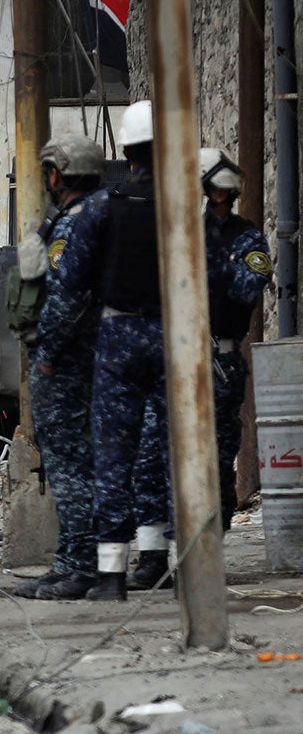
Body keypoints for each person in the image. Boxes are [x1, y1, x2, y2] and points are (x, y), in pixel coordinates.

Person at [122, 147, 272, 590]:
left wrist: (206, 265)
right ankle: (151, 556)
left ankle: (205, 551)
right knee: (150, 454)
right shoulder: (175, 231)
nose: (222, 199)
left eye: (228, 192)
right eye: (214, 190)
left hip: (218, 359)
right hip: (167, 360)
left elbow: (248, 286)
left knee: (213, 457)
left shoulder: (245, 237)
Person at [43, 100, 165, 601]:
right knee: (160, 452)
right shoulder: (187, 204)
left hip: (112, 346)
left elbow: (69, 290)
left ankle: (101, 573)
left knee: (108, 456)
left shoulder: (98, 210)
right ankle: (165, 563)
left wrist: (48, 352)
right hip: (176, 342)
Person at [13, 134, 107, 599]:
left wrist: (46, 357)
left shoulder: (74, 227)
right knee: (70, 462)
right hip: (86, 356)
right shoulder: (90, 218)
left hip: (69, 361)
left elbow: (67, 298)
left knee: (70, 464)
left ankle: (80, 567)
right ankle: (71, 560)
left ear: (57, 174)